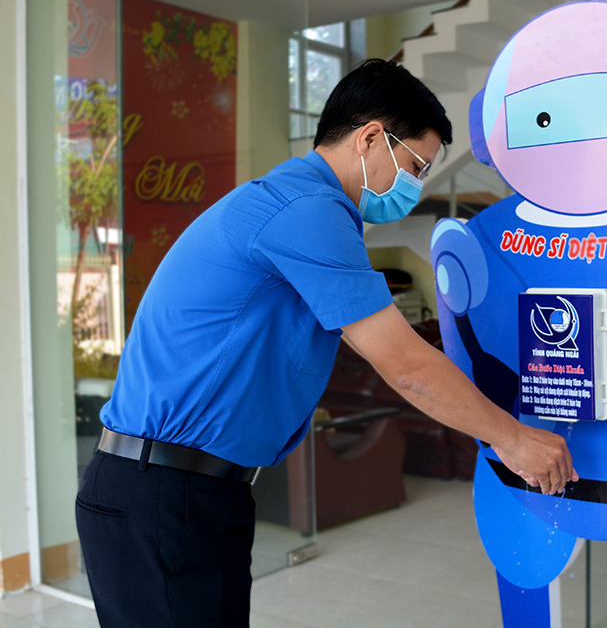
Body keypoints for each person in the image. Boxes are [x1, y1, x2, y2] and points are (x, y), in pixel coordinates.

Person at [76, 58, 577, 628]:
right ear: (370, 138)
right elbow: (405, 365)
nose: (414, 187)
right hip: (162, 495)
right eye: (415, 166)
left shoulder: (297, 204)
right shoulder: (307, 212)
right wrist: (513, 439)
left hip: (195, 492)